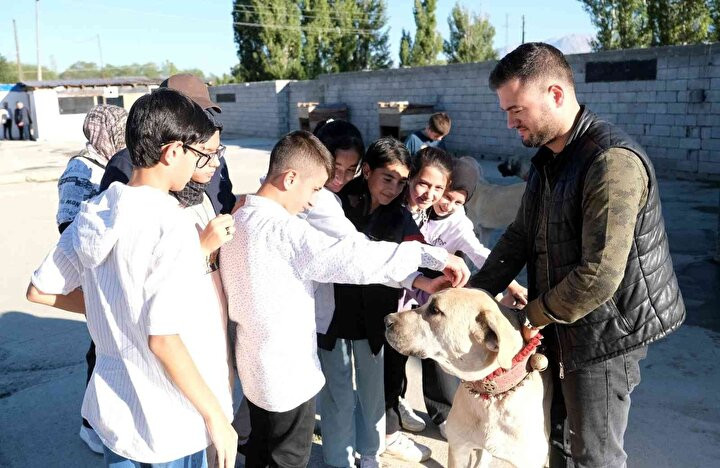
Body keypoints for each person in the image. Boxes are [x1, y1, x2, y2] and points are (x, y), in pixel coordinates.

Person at [468, 42, 685, 467]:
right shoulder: (550, 158)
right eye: (506, 112)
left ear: (555, 94)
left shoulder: (611, 162)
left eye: (517, 109)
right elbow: (519, 237)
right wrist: (473, 298)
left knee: (595, 455)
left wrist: (531, 316)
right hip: (561, 325)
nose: (511, 123)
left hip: (605, 337)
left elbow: (601, 275)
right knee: (557, 444)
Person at [220, 131, 470, 468]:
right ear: (291, 177)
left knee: (262, 451)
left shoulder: (240, 216)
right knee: (288, 458)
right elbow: (355, 256)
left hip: (254, 370)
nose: (312, 200)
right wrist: (437, 258)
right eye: (313, 189)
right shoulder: (285, 231)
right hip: (288, 377)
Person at [26, 88, 238, 467]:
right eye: (197, 154)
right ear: (173, 152)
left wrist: (110, 306)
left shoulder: (94, 210)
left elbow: (40, 291)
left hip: (116, 414)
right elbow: (162, 339)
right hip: (171, 421)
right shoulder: (169, 223)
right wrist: (216, 417)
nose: (199, 164)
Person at [317, 137, 448, 467]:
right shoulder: (336, 204)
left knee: (374, 395)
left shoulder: (400, 219)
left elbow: (410, 261)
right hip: (333, 316)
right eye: (387, 178)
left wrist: (428, 280)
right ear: (368, 170)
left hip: (376, 319)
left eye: (401, 182)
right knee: (337, 396)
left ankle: (371, 455)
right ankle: (338, 460)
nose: (393, 188)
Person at [413, 156, 529, 438]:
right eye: (447, 196)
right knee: (400, 350)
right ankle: (396, 406)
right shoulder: (419, 208)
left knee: (437, 357)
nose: (447, 205)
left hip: (435, 293)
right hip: (406, 287)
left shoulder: (458, 223)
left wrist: (511, 285)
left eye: (457, 202)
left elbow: (480, 253)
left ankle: (442, 412)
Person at [100, 73, 236, 216]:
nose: (213, 161)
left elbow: (226, 205)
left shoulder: (213, 158)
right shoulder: (131, 163)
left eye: (205, 112)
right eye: (191, 113)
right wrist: (203, 239)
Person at [57, 104, 128, 234]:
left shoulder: (116, 161)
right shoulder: (80, 168)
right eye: (120, 130)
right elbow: (67, 225)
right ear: (104, 132)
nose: (125, 137)